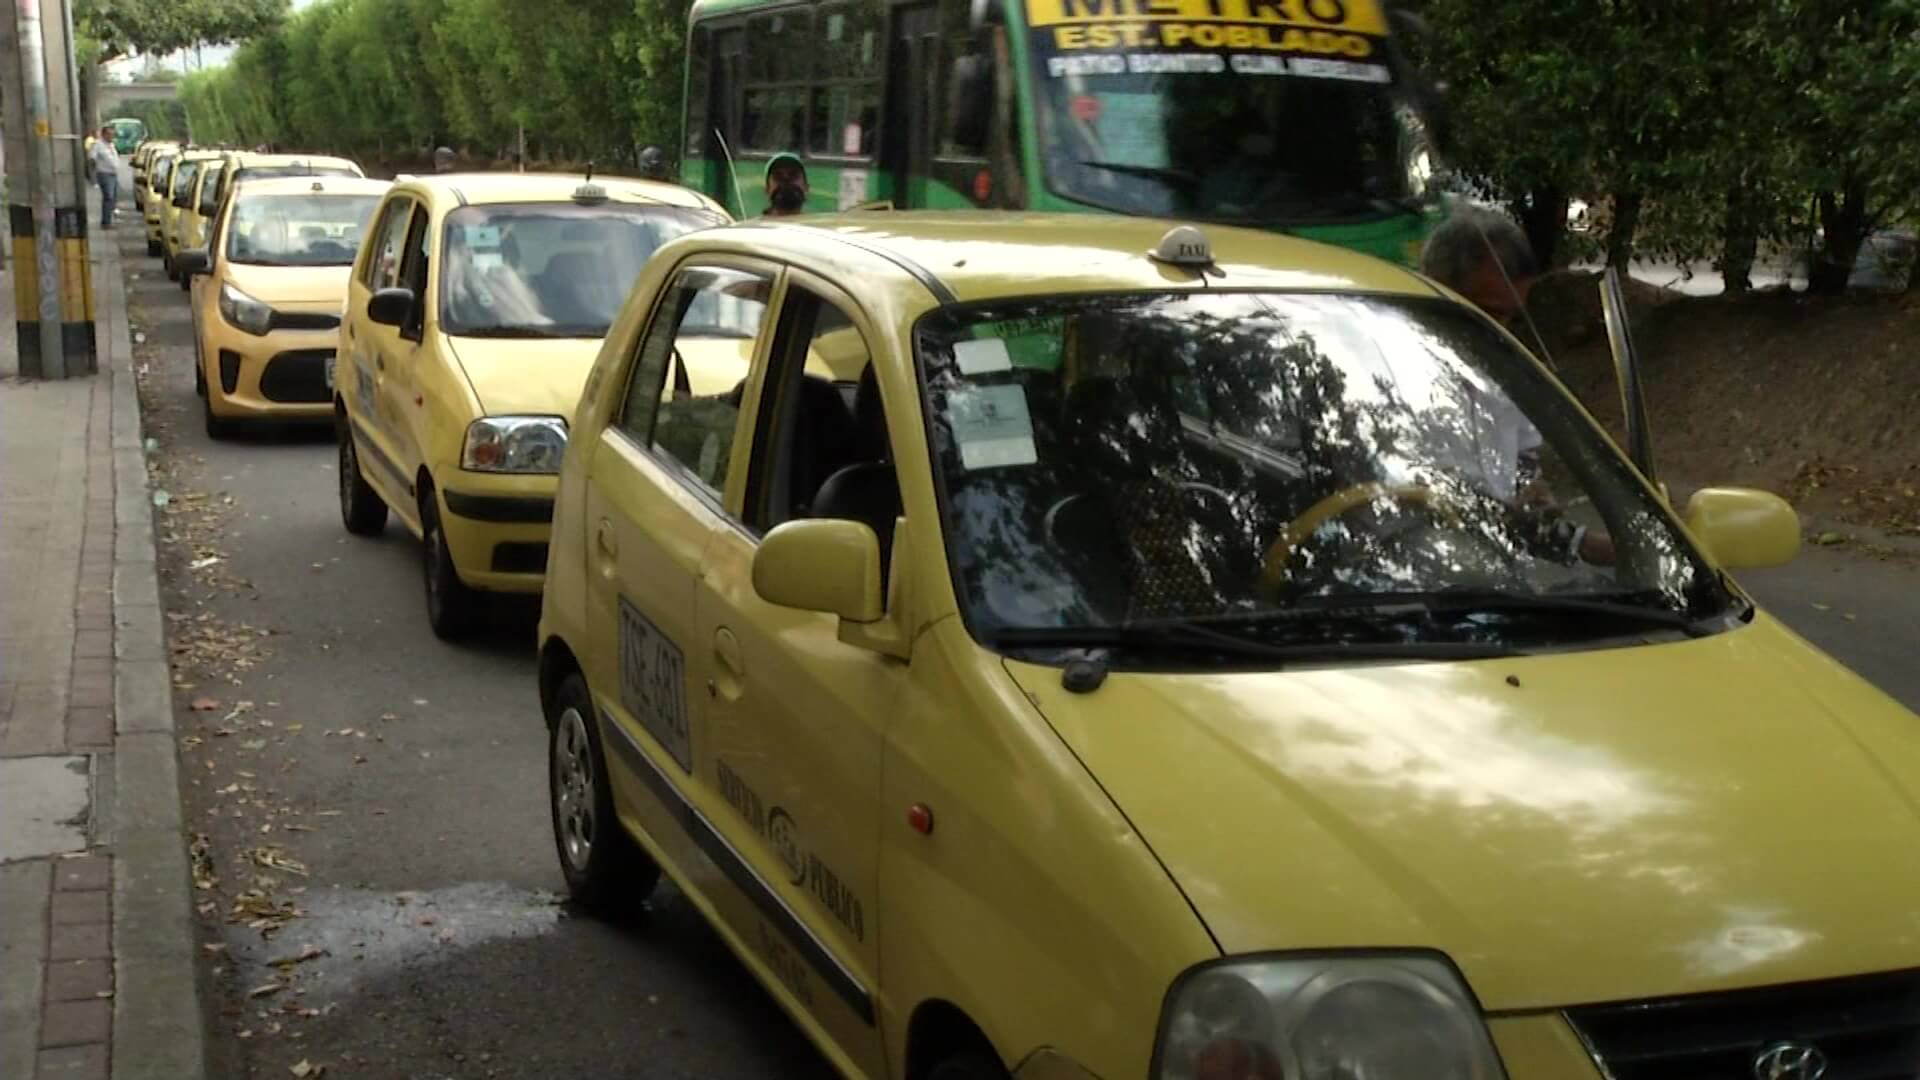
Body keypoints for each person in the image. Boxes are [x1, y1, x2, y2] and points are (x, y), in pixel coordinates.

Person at [1420, 209, 1614, 563]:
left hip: (1495, 582)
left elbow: (1522, 464)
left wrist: (1536, 494)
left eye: (1511, 316)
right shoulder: (1381, 375)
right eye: (1488, 312)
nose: (1500, 331)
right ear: (1436, 288)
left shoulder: (1505, 372)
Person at [88, 126, 120, 229]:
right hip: (104, 174)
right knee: (108, 197)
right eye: (109, 135)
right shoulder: (98, 145)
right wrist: (93, 175)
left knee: (113, 199)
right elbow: (92, 158)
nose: (112, 137)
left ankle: (109, 220)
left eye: (113, 135)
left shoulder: (111, 145)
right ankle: (106, 223)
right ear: (104, 134)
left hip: (113, 173)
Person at [763, 152, 808, 217]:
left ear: (806, 187)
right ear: (767, 190)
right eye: (778, 176)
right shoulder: (752, 227)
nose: (786, 180)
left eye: (793, 175)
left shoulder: (817, 226)